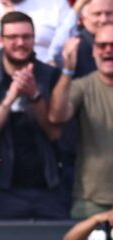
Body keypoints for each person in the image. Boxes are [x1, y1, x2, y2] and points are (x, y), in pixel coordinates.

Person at [0, 11, 68, 219]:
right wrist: (10, 97)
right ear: (0, 40)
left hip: (49, 186)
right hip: (3, 188)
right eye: (13, 37)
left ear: (34, 39)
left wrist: (35, 96)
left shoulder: (52, 76)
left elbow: (55, 133)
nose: (20, 43)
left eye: (26, 37)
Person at [49, 23, 113, 219]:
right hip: (91, 202)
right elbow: (56, 116)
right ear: (93, 51)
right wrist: (68, 69)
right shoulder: (82, 86)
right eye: (101, 45)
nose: (108, 50)